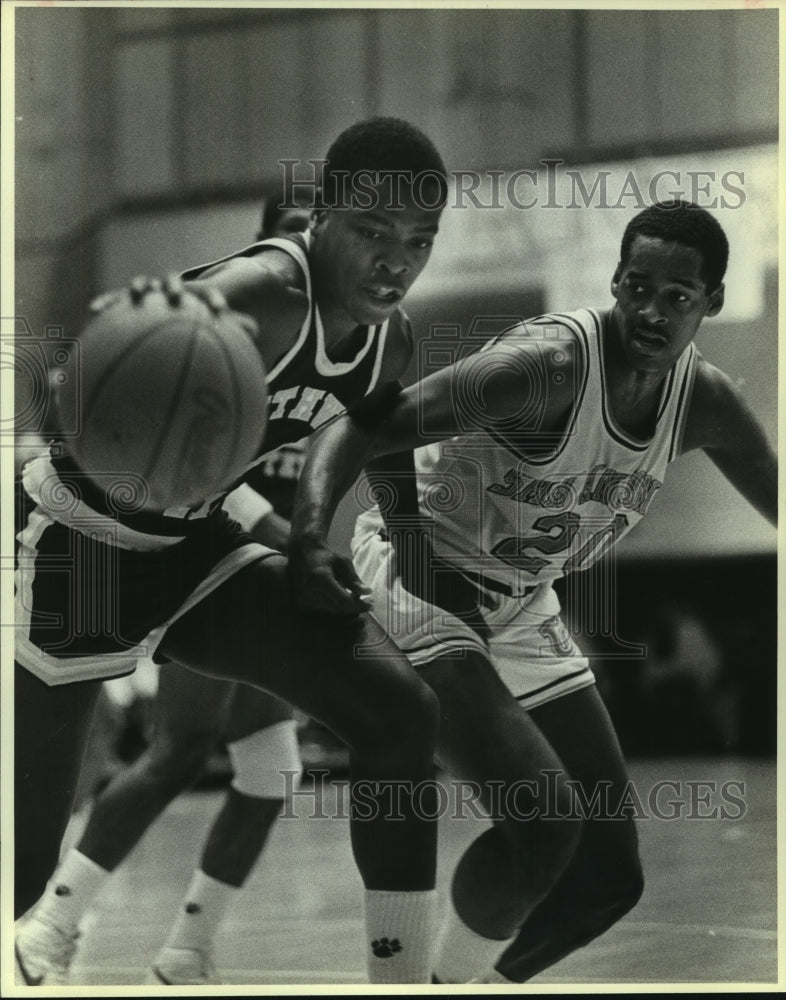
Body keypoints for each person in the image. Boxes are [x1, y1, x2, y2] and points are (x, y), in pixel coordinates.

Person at [286, 200, 778, 983]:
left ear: (711, 302)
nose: (651, 309)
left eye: (677, 296)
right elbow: (369, 423)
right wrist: (321, 535)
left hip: (519, 598)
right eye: (637, 286)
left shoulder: (705, 402)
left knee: (609, 880)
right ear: (615, 281)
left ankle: (467, 984)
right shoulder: (547, 367)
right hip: (422, 570)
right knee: (547, 824)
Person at [14, 116, 448, 987]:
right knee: (18, 870)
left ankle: (400, 981)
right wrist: (119, 422)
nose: (397, 261)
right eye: (372, 233)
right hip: (84, 550)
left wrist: (327, 542)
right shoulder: (259, 295)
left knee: (400, 713)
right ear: (321, 217)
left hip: (199, 549)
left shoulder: (389, 341)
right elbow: (59, 388)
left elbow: (364, 435)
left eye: (420, 241)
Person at [13, 195, 321, 989]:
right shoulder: (221, 336)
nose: (306, 247)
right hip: (197, 560)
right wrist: (280, 533)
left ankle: (185, 950)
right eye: (292, 232)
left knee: (273, 767)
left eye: (318, 231)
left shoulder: (334, 340)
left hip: (261, 568)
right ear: (260, 246)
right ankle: (50, 926)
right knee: (180, 749)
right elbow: (193, 472)